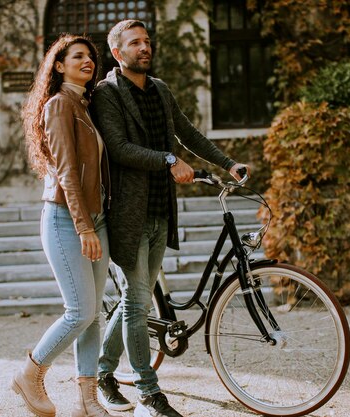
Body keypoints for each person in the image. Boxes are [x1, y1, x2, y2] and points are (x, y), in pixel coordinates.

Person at [90, 20, 250, 417]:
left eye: (146, 41)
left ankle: (104, 374)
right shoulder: (106, 93)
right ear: (117, 52)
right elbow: (119, 147)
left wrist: (228, 163)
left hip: (162, 211)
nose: (145, 47)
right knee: (138, 301)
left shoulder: (160, 89)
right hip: (128, 214)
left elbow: (187, 132)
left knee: (135, 300)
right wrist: (167, 160)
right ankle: (148, 391)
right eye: (135, 43)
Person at [12, 33, 112, 417]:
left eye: (91, 56)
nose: (88, 60)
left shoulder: (84, 106)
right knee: (80, 310)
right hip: (66, 219)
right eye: (77, 56)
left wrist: (96, 221)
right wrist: (84, 227)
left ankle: (87, 401)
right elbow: (68, 173)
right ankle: (30, 373)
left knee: (93, 314)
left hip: (95, 218)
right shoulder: (58, 105)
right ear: (58, 65)